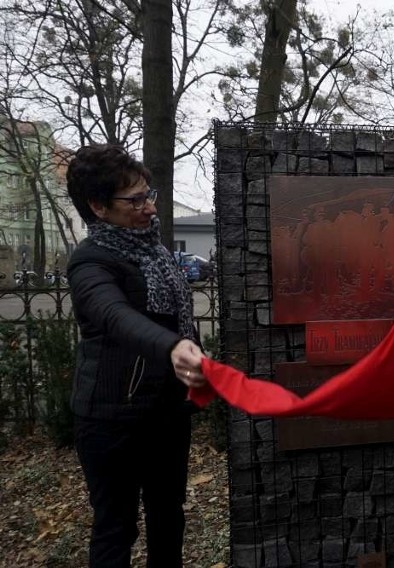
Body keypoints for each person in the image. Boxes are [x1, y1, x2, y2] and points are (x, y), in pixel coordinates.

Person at [66, 145, 207, 567]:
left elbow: (177, 319)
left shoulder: (158, 253)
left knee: (169, 519)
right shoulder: (90, 261)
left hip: (166, 415)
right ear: (98, 206)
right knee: (116, 529)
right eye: (135, 200)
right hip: (111, 420)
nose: (148, 207)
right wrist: (173, 347)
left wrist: (194, 349)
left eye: (150, 194)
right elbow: (115, 316)